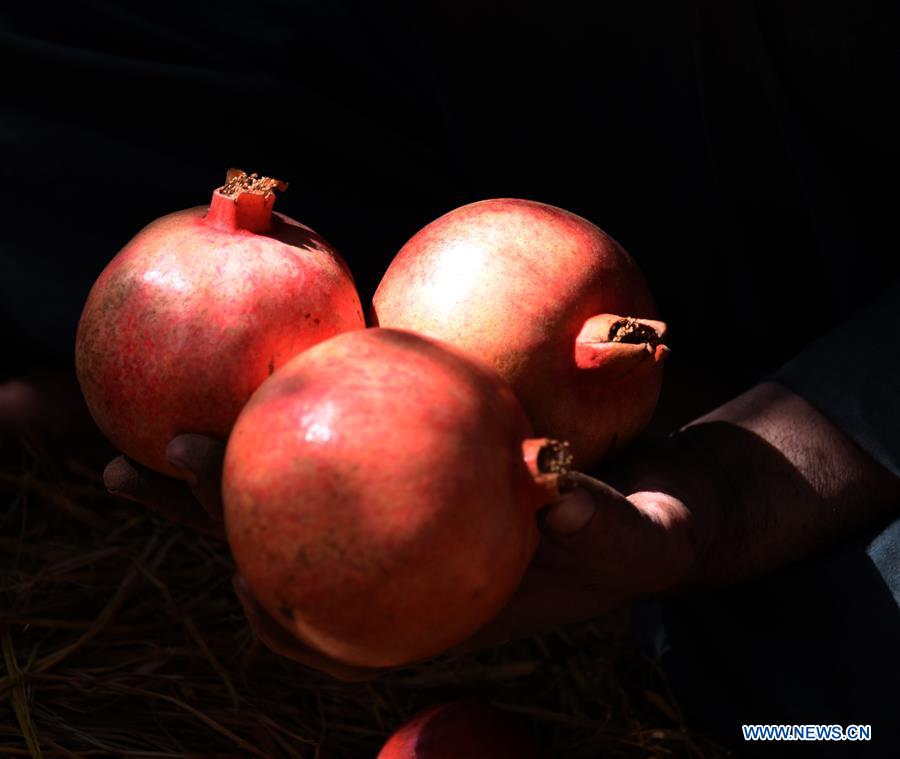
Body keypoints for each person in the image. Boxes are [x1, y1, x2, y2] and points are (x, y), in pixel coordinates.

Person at [3, 2, 898, 755]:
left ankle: (703, 615)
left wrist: (734, 488)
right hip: (506, 98)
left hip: (838, 249)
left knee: (826, 728)